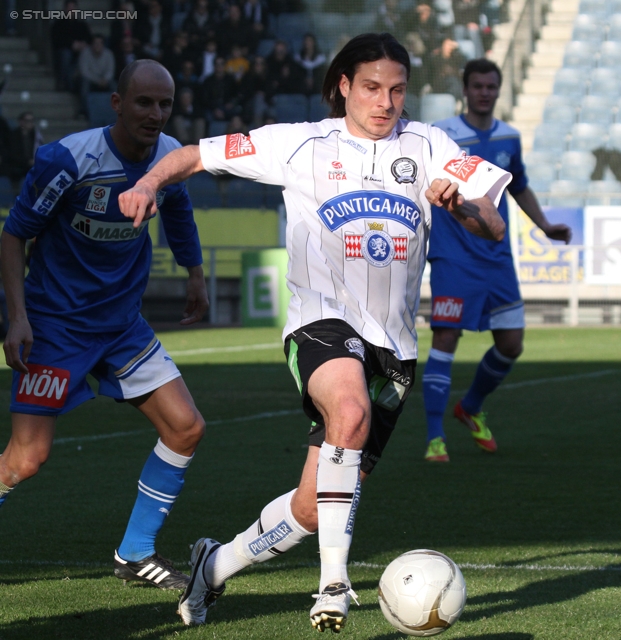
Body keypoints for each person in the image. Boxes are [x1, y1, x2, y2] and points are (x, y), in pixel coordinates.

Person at [118, 32, 511, 632]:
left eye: (398, 90)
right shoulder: (299, 143)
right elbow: (194, 154)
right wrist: (149, 183)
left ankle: (213, 566)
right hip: (320, 320)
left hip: (395, 346)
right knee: (348, 411)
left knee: (311, 505)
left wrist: (458, 203)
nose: (386, 102)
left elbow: (493, 226)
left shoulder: (430, 143)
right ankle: (333, 583)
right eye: (373, 88)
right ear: (345, 86)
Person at [0, 59, 209, 590]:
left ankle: (135, 554)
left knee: (186, 428)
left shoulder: (168, 157)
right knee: (25, 460)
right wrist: (18, 318)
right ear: (117, 104)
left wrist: (195, 274)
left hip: (121, 326)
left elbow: (179, 208)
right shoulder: (67, 160)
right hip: (56, 327)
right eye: (144, 102)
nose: (156, 114)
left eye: (164, 104)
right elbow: (13, 234)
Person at [422, 58, 572, 462]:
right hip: (453, 256)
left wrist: (543, 226)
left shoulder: (509, 137)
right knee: (446, 339)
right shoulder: (442, 135)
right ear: (466, 91)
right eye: (478, 86)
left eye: (491, 86)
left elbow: (518, 186)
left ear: (498, 90)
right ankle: (435, 438)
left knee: (511, 343)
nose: (484, 92)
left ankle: (469, 409)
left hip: (497, 258)